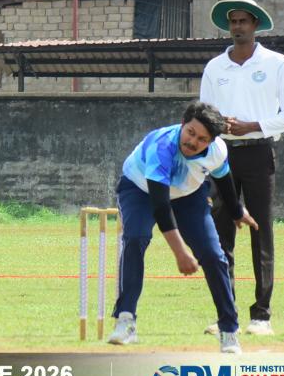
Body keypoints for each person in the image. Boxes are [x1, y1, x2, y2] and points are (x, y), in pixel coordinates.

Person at [107, 101, 258, 354]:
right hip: (140, 188)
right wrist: (180, 253)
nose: (193, 142)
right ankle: (126, 321)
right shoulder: (162, 147)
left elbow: (223, 178)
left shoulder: (217, 151)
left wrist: (236, 210)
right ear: (183, 124)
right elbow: (161, 207)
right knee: (135, 237)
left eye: (202, 139)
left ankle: (229, 331)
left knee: (213, 255)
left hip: (188, 194)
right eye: (190, 133)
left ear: (211, 141)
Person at [200, 0, 284, 337]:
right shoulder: (215, 67)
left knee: (261, 232)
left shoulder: (276, 63)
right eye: (233, 22)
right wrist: (221, 125)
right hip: (221, 156)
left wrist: (252, 126)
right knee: (220, 236)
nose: (238, 27)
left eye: (244, 21)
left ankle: (261, 315)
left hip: (259, 152)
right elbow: (203, 115)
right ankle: (225, 315)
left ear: (255, 24)